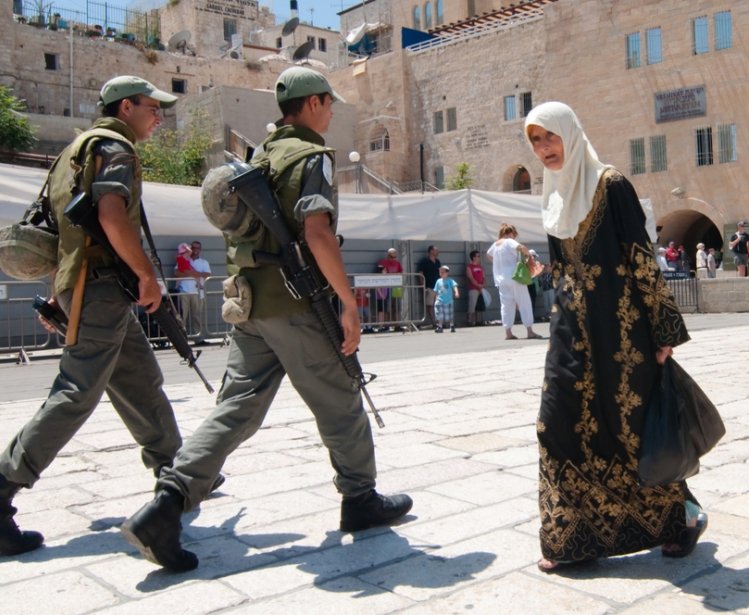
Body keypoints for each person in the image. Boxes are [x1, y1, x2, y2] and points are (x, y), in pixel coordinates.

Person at [121, 66, 412, 572]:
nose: (332, 111)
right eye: (330, 103)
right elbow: (317, 233)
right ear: (316, 103)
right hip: (298, 306)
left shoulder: (259, 156)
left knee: (235, 409)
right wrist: (347, 301)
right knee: (341, 402)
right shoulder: (311, 156)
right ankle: (360, 500)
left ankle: (166, 504)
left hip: (250, 304)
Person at [0, 76, 186, 556]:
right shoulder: (114, 147)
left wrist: (64, 290)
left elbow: (58, 230)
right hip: (103, 285)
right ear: (127, 107)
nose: (158, 116)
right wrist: (146, 274)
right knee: (77, 392)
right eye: (152, 107)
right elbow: (109, 215)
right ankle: (1, 489)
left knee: (140, 380)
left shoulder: (74, 151)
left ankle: (179, 473)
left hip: (90, 284)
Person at [525, 101, 705, 574]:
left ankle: (683, 518)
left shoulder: (612, 185)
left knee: (632, 431)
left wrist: (663, 331)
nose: (543, 148)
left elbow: (641, 257)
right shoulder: (553, 196)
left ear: (571, 133)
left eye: (549, 136)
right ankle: (574, 536)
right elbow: (561, 270)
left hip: (623, 333)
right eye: (535, 140)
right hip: (570, 331)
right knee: (555, 424)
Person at [486, 223, 542, 340]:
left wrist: (499, 265)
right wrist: (529, 258)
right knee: (524, 303)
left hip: (501, 280)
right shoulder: (509, 241)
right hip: (515, 277)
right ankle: (530, 331)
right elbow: (521, 247)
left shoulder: (495, 244)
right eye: (514, 235)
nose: (514, 237)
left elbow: (488, 255)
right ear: (510, 233)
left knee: (506, 306)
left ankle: (508, 333)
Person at [174, 240, 211, 344]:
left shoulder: (204, 262)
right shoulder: (184, 259)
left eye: (197, 248)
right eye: (193, 248)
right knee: (182, 317)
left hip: (198, 292)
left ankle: (198, 339)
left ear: (200, 250)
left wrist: (192, 273)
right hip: (184, 291)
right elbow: (176, 272)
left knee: (197, 316)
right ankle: (181, 340)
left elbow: (207, 274)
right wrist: (192, 273)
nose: (195, 250)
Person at [375, 247, 403, 328]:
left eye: (395, 257)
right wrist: (394, 275)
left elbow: (401, 273)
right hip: (386, 288)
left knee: (396, 306)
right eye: (392, 257)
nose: (394, 259)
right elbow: (380, 274)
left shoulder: (397, 263)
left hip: (396, 287)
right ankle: (386, 325)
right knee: (386, 307)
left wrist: (392, 275)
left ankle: (397, 325)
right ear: (388, 255)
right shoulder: (382, 263)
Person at [417, 245, 441, 328]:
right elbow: (420, 274)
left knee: (438, 305)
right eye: (436, 250)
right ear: (431, 251)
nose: (438, 252)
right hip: (429, 287)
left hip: (438, 287)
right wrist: (423, 286)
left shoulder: (437, 262)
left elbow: (440, 274)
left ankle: (439, 322)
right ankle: (434, 322)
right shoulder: (424, 261)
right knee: (430, 305)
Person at [433, 265, 459, 333]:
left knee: (450, 314)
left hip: (448, 301)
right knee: (439, 314)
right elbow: (436, 290)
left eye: (443, 272)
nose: (441, 273)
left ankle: (452, 325)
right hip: (440, 300)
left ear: (447, 273)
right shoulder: (438, 281)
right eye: (440, 272)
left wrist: (456, 292)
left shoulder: (450, 280)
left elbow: (455, 286)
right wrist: (435, 299)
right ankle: (440, 327)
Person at [466, 250, 485, 326]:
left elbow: (483, 277)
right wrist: (478, 285)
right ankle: (470, 321)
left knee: (479, 304)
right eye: (478, 256)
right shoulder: (469, 267)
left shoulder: (480, 267)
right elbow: (470, 277)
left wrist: (483, 285)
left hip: (481, 289)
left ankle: (479, 320)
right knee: (472, 305)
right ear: (473, 257)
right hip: (473, 288)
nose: (479, 258)